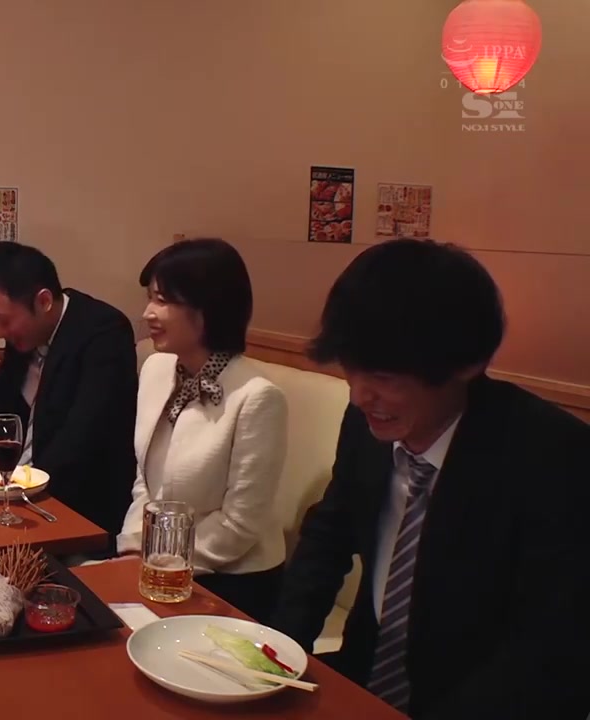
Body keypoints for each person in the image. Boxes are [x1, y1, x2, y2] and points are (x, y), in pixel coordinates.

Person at [273, 238, 589, 719]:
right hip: (364, 683)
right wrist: (276, 656)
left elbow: (548, 647)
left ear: (466, 363)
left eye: (384, 376)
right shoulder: (366, 425)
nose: (359, 395)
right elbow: (329, 535)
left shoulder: (551, 456)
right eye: (352, 368)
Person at [114, 239, 287, 623]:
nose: (148, 313)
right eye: (150, 298)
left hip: (233, 580)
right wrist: (132, 549)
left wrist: (161, 562)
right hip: (156, 564)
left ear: (208, 309)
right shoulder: (156, 368)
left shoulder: (258, 397)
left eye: (162, 300)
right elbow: (146, 482)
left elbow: (240, 524)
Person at [0, 242, 137, 538]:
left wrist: (19, 491)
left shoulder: (104, 331)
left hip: (78, 509)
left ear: (43, 301)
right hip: (21, 498)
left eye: (3, 320)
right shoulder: (25, 335)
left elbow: (82, 434)